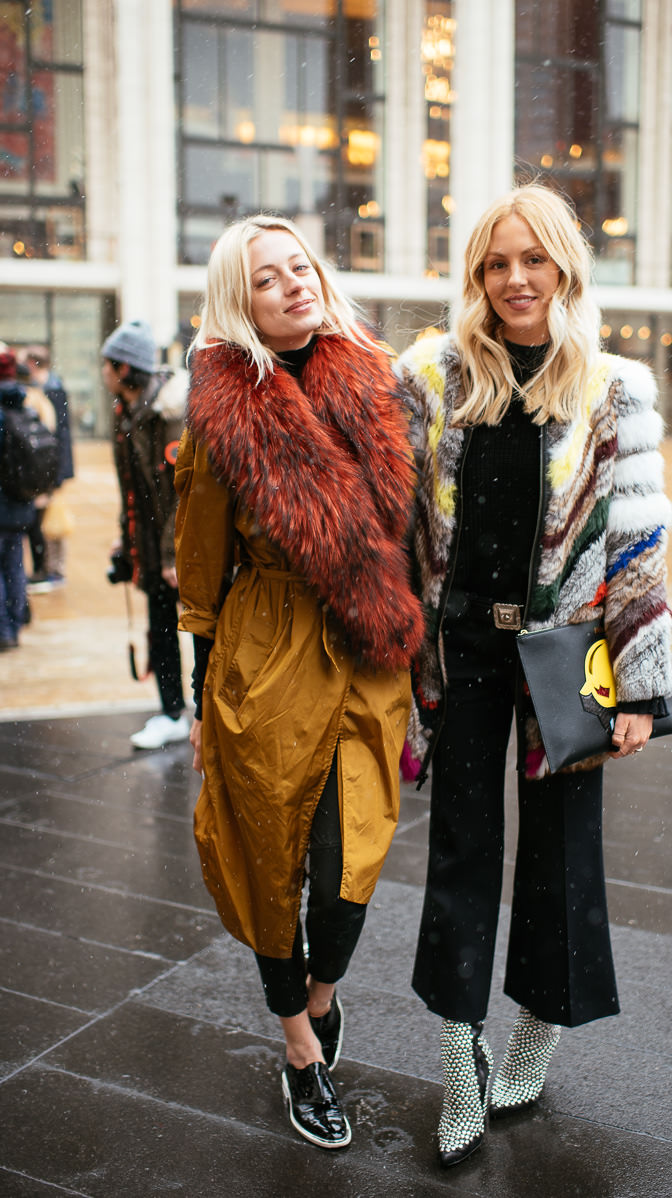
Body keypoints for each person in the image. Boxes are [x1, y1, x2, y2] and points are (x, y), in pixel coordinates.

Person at [395, 183, 672, 1167]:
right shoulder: (430, 373)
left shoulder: (611, 384)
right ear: (475, 274)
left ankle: (535, 1027)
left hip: (572, 652)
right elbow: (393, 520)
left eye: (533, 260)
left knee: (562, 849)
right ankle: (457, 1051)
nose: (514, 279)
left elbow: (637, 536)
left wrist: (640, 683)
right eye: (495, 262)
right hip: (463, 648)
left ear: (563, 267)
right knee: (460, 850)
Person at [173, 214, 423, 1150]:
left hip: (365, 653)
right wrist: (201, 699)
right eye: (267, 280)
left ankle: (322, 997)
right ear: (240, 304)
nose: (293, 285)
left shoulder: (377, 378)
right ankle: (297, 1050)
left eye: (299, 267)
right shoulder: (223, 411)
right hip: (266, 650)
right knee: (271, 861)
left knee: (354, 857)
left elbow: (415, 533)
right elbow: (200, 574)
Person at [101, 319, 190, 750]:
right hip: (153, 545)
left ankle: (207, 716)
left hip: (179, 546)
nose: (102, 372)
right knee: (161, 625)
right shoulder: (127, 413)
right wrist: (127, 536)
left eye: (107, 364)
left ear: (123, 369)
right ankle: (173, 712)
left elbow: (181, 492)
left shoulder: (169, 413)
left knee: (205, 627)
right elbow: (133, 487)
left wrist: (174, 554)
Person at [24, 345, 75, 592]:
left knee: (53, 519)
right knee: (45, 518)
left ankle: (54, 570)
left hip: (51, 467)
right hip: (49, 465)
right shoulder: (47, 388)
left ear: (34, 364)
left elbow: (60, 435)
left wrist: (57, 473)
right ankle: (48, 569)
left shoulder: (52, 390)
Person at [0, 344, 35, 650]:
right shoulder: (24, 405)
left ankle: (4, 630)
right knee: (14, 565)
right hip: (20, 503)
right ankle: (14, 622)